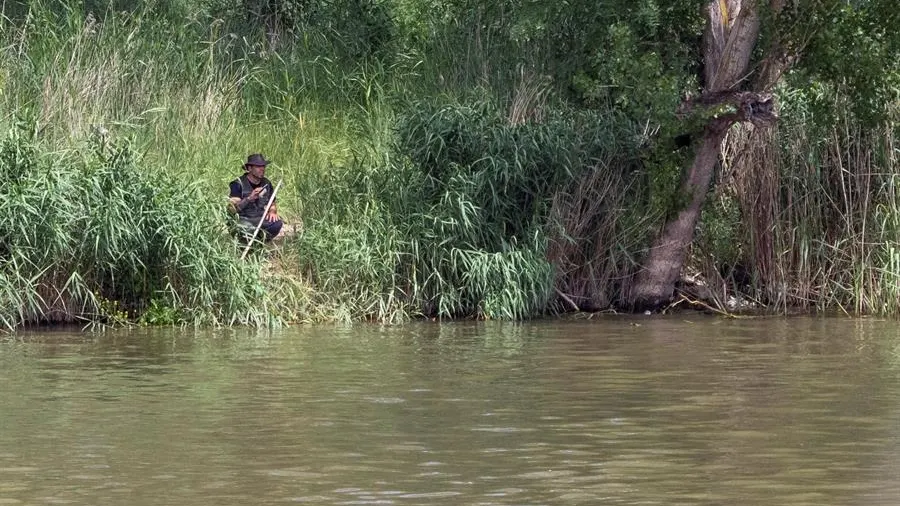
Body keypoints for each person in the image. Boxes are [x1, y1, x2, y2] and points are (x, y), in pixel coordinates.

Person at [229, 153, 283, 242]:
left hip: (260, 218)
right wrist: (249, 198)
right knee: (246, 229)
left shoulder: (267, 183)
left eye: (263, 166)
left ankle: (259, 243)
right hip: (243, 219)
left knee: (276, 224)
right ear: (249, 168)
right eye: (258, 166)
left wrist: (272, 211)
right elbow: (231, 209)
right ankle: (244, 245)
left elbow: (272, 203)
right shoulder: (237, 184)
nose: (262, 169)